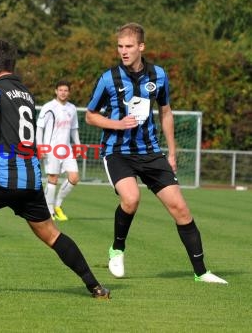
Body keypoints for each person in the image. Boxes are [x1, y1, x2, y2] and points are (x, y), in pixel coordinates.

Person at [0, 40, 110, 298]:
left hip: (2, 178)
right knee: (51, 234)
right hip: (31, 181)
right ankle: (95, 286)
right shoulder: (26, 93)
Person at [85, 22, 227, 284]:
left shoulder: (158, 75)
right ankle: (117, 249)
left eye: (128, 46)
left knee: (181, 209)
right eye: (120, 46)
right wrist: (117, 124)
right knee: (131, 199)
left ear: (141, 47)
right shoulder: (108, 78)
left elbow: (166, 112)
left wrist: (171, 153)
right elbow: (90, 117)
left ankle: (201, 272)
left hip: (150, 152)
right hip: (118, 152)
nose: (123, 51)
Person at [36, 80, 81, 221]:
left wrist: (78, 145)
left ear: (69, 92)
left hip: (66, 149)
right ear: (56, 91)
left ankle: (57, 205)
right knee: (53, 179)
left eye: (66, 90)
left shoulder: (72, 108)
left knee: (74, 177)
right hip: (51, 148)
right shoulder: (48, 107)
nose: (63, 93)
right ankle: (49, 211)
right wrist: (40, 146)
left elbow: (74, 129)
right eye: (60, 90)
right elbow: (40, 127)